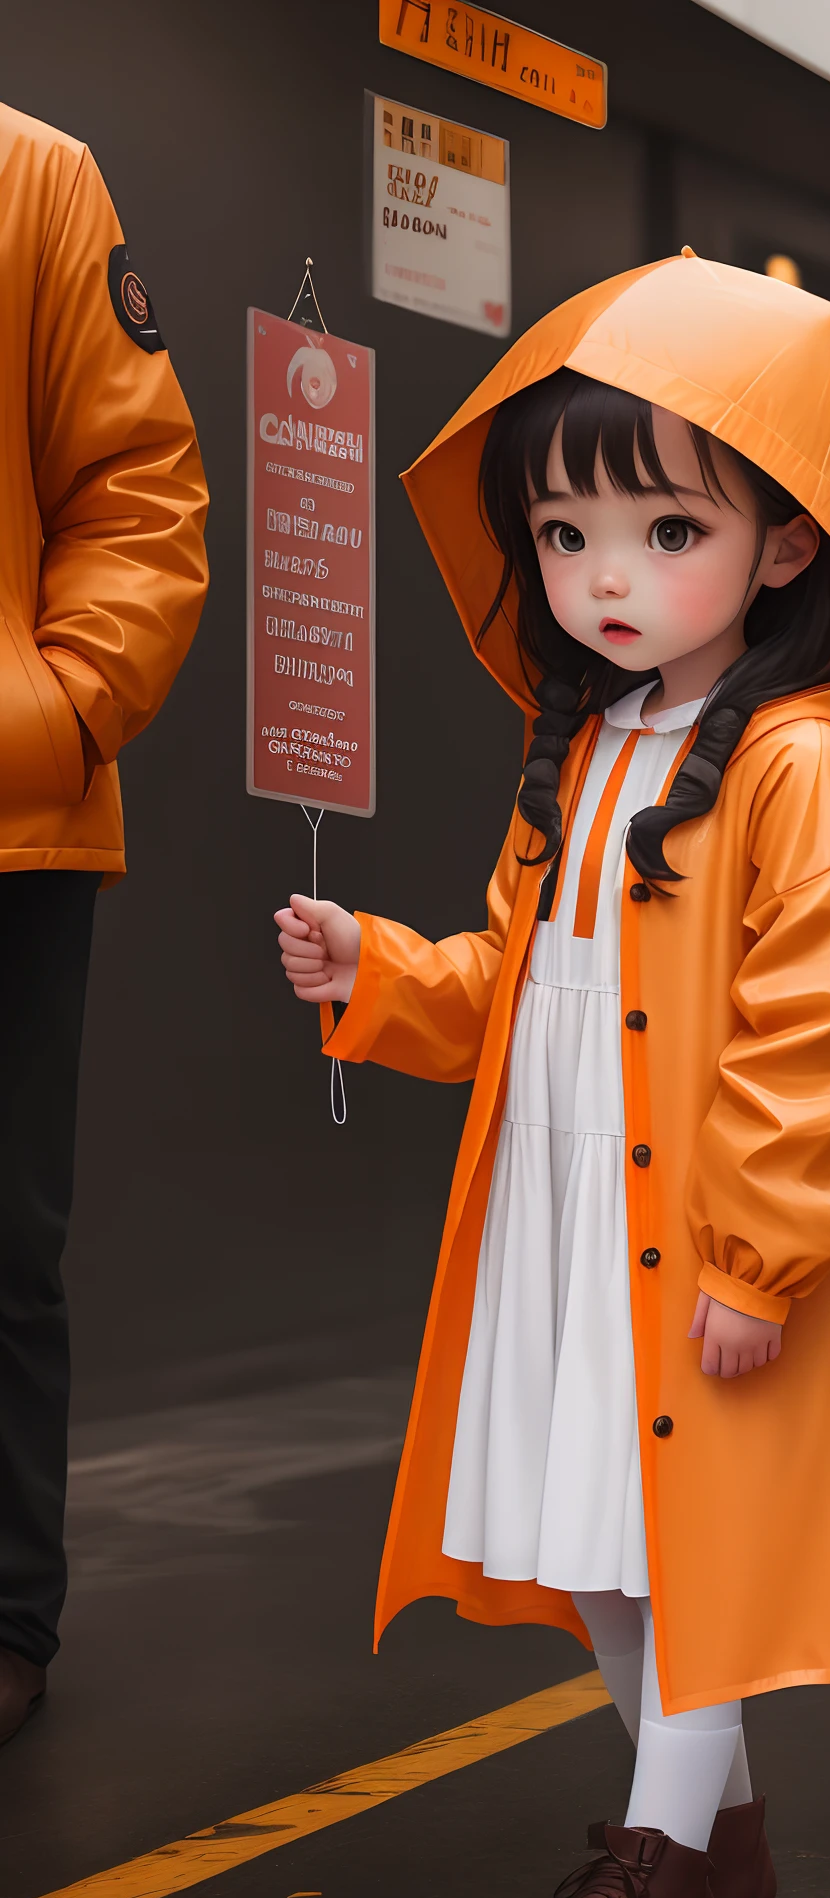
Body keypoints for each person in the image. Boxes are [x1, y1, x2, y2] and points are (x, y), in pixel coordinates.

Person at [272, 254, 830, 1898]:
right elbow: (522, 980)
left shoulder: (794, 767)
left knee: (690, 1550)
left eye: (670, 532)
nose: (606, 576)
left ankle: (659, 1876)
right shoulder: (582, 745)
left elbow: (821, 1025)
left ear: (787, 547)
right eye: (570, 530)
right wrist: (384, 974)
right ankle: (717, 1848)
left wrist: (759, 1254)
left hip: (705, 1224)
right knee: (597, 1536)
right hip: (567, 1201)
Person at [0, 104, 209, 1747]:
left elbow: (139, 486)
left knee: (1, 1243)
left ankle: (4, 1620)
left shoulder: (32, 176)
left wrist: (59, 719)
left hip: (8, 823)